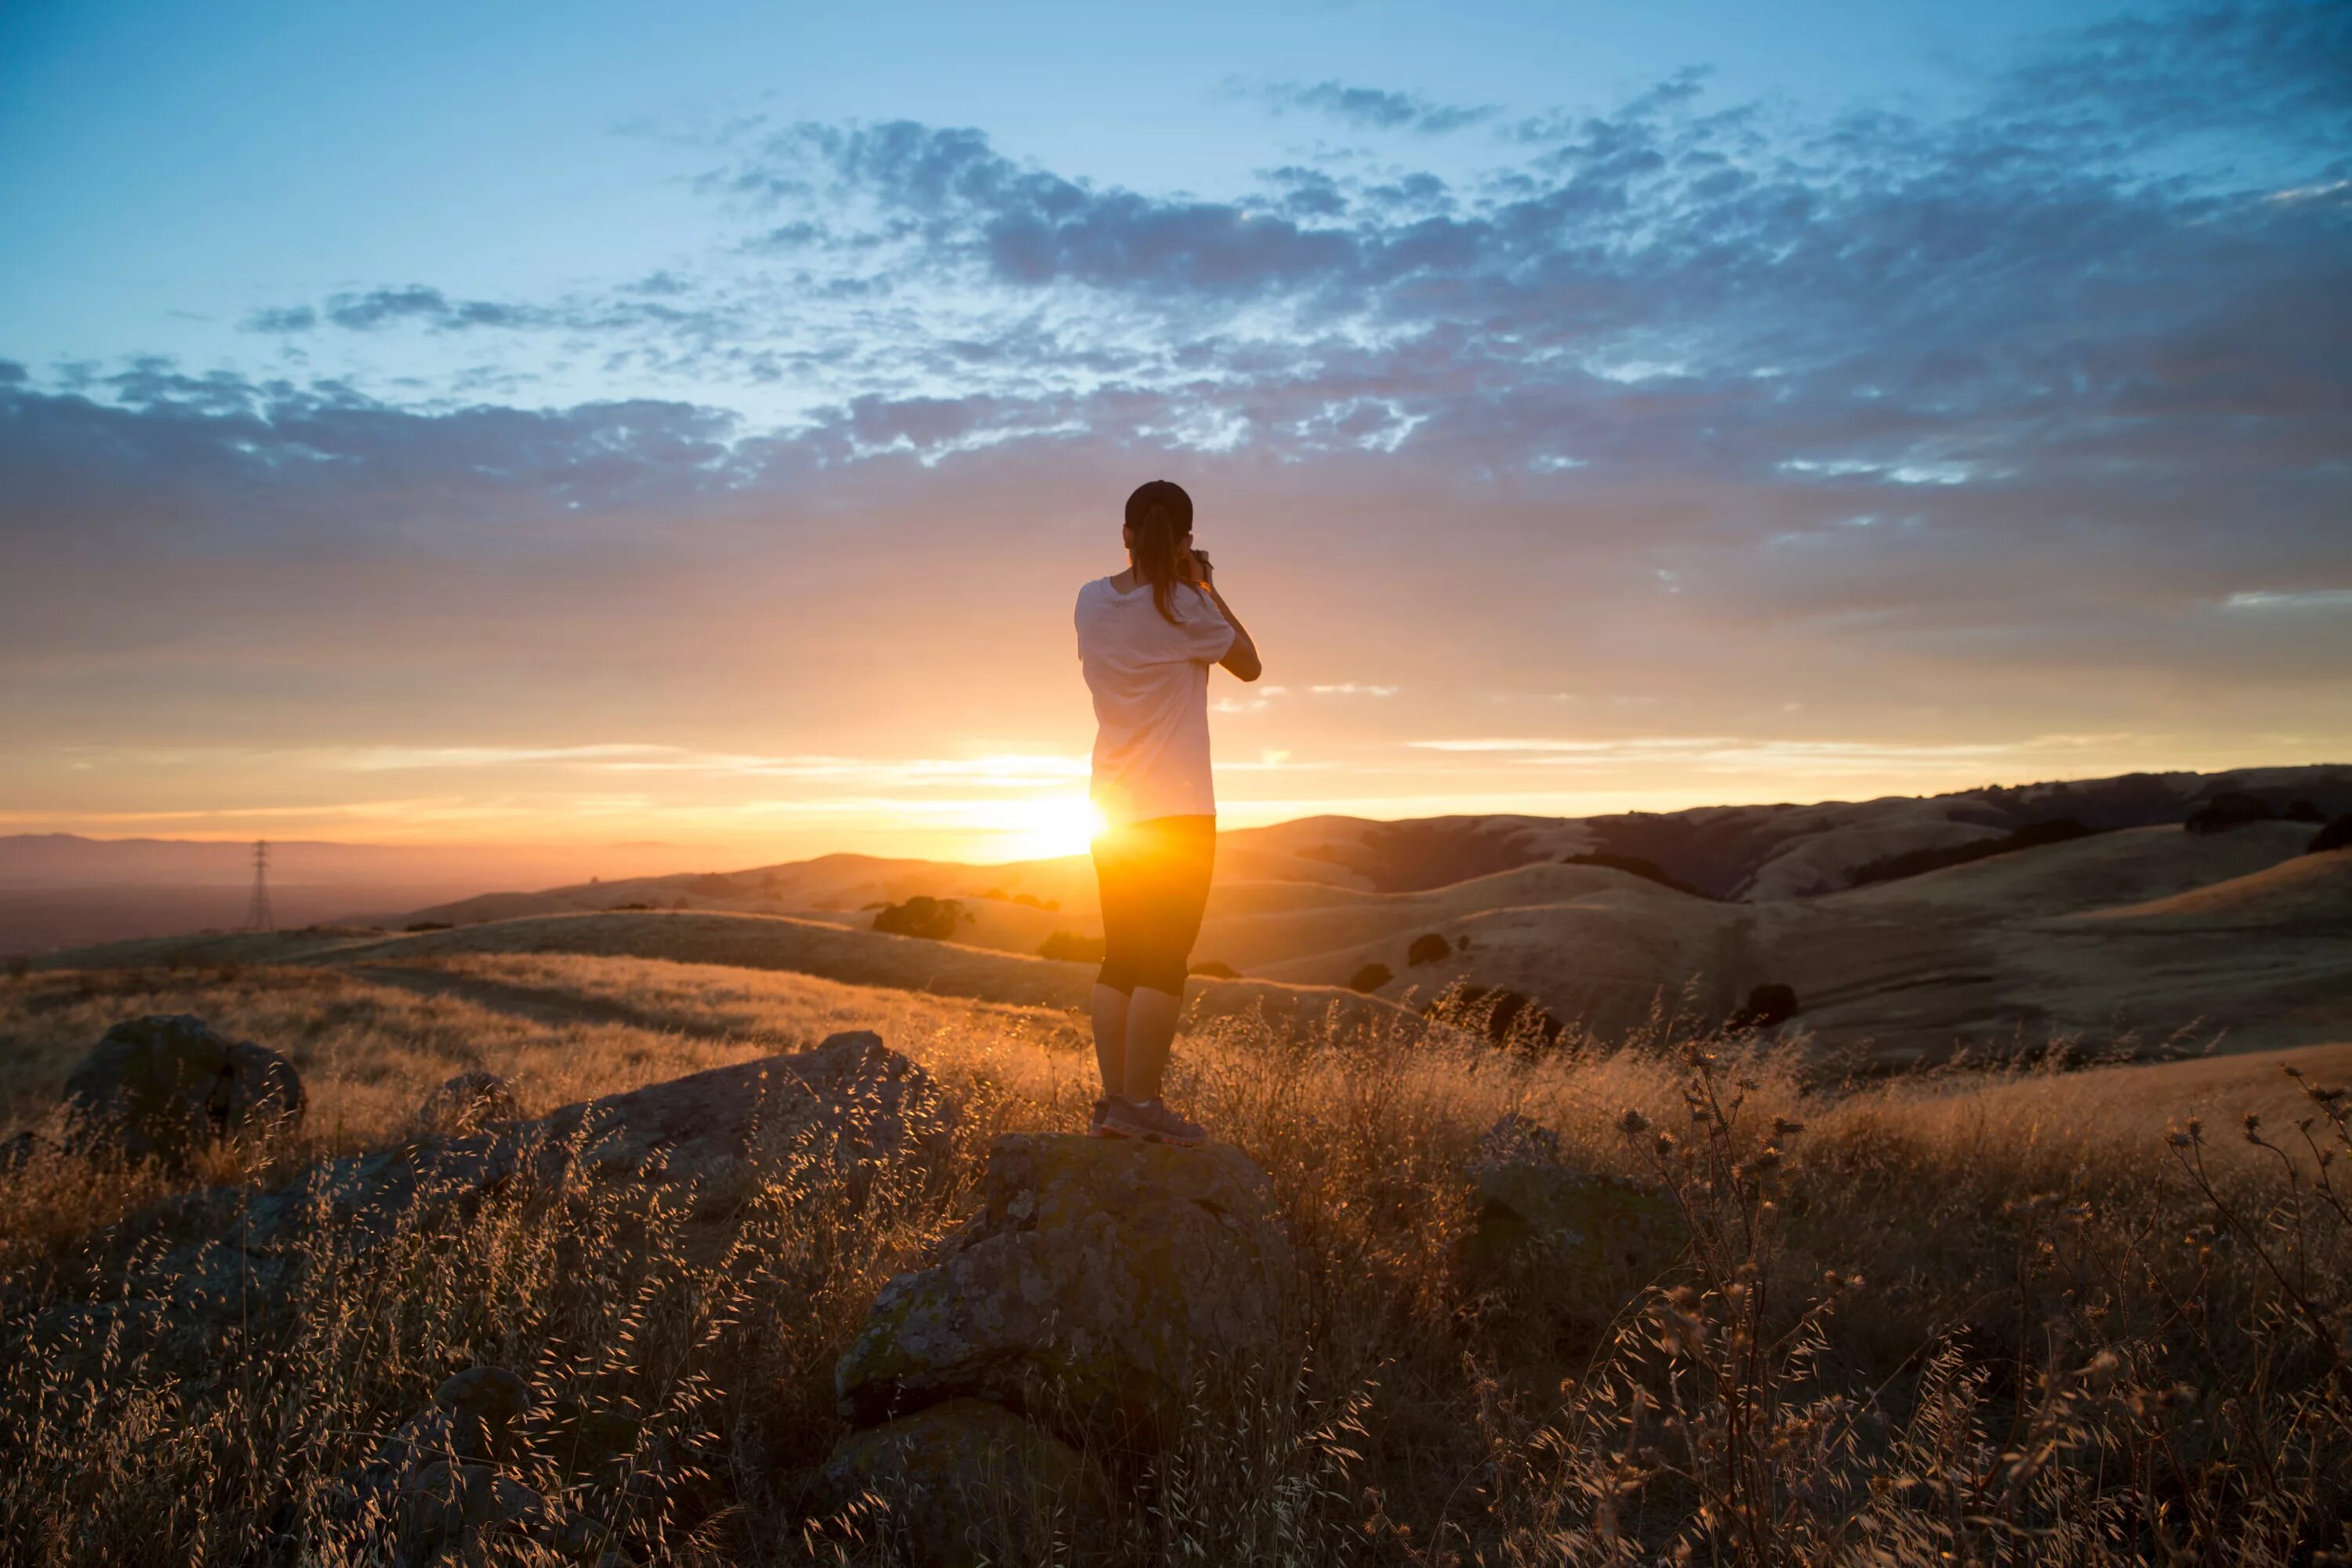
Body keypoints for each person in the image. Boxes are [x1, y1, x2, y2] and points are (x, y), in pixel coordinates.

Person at [1074, 479, 1262, 1145]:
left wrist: (1179, 577)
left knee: (1120, 955)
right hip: (1179, 811)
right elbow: (1250, 663)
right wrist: (1205, 584)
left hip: (1112, 809)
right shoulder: (1188, 606)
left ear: (1125, 533)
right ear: (1184, 541)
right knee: (1165, 960)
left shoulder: (1090, 601)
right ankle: (1143, 1107)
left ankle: (1116, 1104)